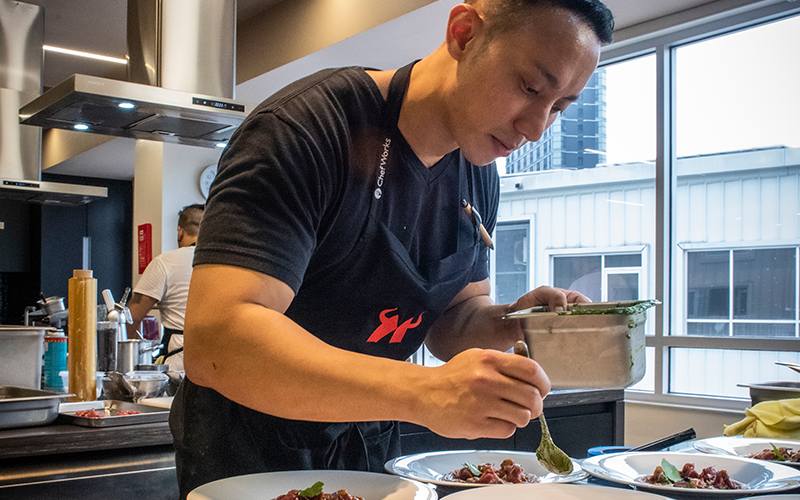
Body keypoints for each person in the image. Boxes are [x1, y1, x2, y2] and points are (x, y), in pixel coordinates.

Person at [171, 0, 613, 496]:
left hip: (370, 441)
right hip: (251, 449)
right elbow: (217, 343)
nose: (535, 128)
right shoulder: (307, 129)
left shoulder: (479, 171)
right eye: (530, 88)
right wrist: (426, 392)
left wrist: (514, 321)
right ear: (464, 34)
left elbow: (452, 322)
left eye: (559, 107)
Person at [126, 203, 204, 370]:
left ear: (180, 231)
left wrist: (129, 361)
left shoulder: (164, 263)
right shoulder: (224, 265)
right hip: (221, 364)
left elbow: (131, 317)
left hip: (180, 364)